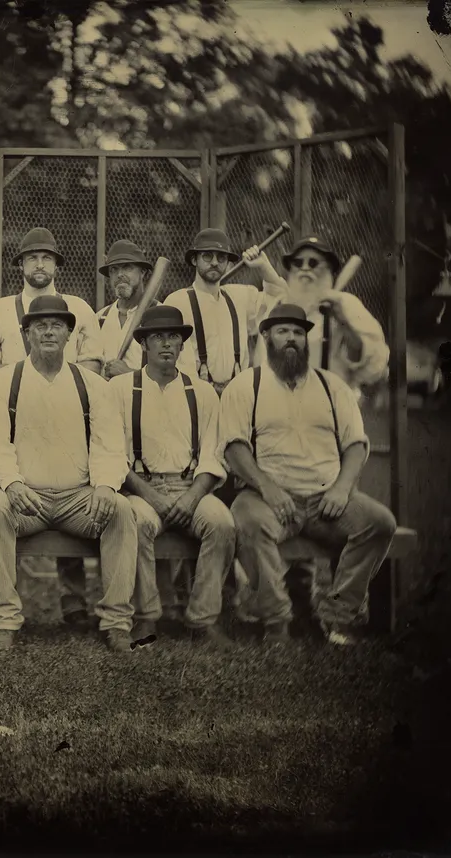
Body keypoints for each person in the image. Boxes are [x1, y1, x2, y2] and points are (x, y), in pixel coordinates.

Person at [218, 303, 397, 646]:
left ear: (307, 341)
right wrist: (268, 488)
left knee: (379, 524)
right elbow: (234, 448)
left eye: (298, 332)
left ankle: (338, 617)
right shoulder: (247, 385)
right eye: (283, 331)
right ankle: (277, 620)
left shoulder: (333, 387)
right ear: (266, 336)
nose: (291, 339)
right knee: (248, 523)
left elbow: (356, 445)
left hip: (325, 499)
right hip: (267, 498)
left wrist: (342, 489)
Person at [0, 295, 136, 653]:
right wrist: (13, 483)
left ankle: (116, 623)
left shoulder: (93, 385)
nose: (48, 332)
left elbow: (109, 446)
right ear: (27, 334)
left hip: (76, 499)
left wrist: (105, 487)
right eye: (40, 326)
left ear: (70, 335)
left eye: (57, 326)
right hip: (26, 499)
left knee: (122, 511)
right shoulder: (3, 382)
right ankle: (3, 622)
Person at [0, 227, 105, 630]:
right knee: (3, 495)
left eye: (47, 258)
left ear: (56, 265)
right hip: (14, 412)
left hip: (70, 414)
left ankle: (73, 602)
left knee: (71, 476)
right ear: (20, 265)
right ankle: (0, 606)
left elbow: (90, 367)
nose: (40, 264)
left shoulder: (80, 309)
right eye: (32, 257)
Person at [111, 306, 236, 648]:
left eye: (173, 337)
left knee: (222, 523)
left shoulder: (203, 392)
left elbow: (213, 455)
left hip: (190, 488)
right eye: (157, 337)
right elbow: (111, 456)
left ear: (182, 346)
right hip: (141, 489)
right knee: (134, 523)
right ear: (144, 345)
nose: (166, 344)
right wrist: (152, 496)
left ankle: (201, 620)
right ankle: (146, 618)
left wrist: (191, 497)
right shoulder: (121, 390)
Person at [248, 234, 389, 396]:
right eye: (298, 263)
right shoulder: (277, 305)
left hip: (328, 409)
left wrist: (343, 322)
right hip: (276, 408)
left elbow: (373, 366)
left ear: (329, 269)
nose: (305, 268)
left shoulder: (344, 304)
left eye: (314, 263)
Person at [163, 228, 285, 397]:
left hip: (238, 396)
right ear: (194, 260)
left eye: (221, 257)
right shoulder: (177, 301)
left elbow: (281, 300)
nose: (214, 262)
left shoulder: (240, 296)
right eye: (207, 256)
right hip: (195, 397)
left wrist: (264, 266)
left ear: (227, 263)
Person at [94, 239, 159, 378]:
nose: (119, 275)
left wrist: (129, 375)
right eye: (114, 269)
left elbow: (177, 377)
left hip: (144, 398)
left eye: (127, 267)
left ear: (142, 272)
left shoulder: (160, 315)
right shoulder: (99, 319)